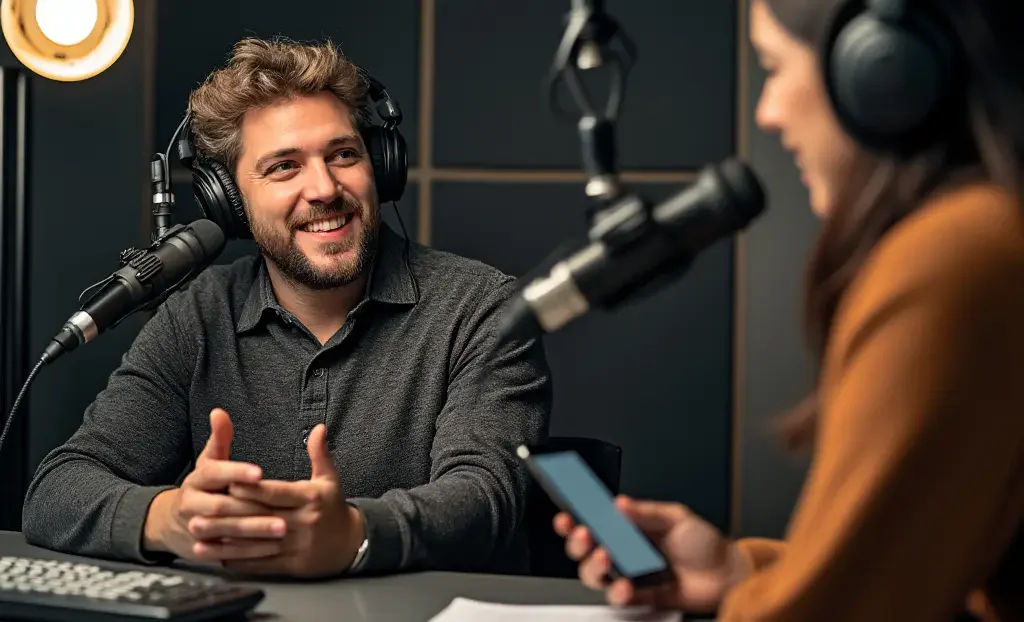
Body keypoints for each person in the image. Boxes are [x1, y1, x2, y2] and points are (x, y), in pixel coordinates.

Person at [557, 0, 1024, 620]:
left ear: (878, 68)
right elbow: (930, 579)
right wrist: (740, 572)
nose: (767, 112)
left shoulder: (955, 255)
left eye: (774, 68)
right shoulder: (989, 236)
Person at [21, 37, 552, 579]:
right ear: (230, 202)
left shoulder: (483, 309)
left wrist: (353, 534)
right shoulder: (196, 316)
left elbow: (485, 496)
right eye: (283, 167)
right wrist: (168, 518)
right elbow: (58, 489)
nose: (323, 188)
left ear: (380, 165)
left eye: (343, 155)